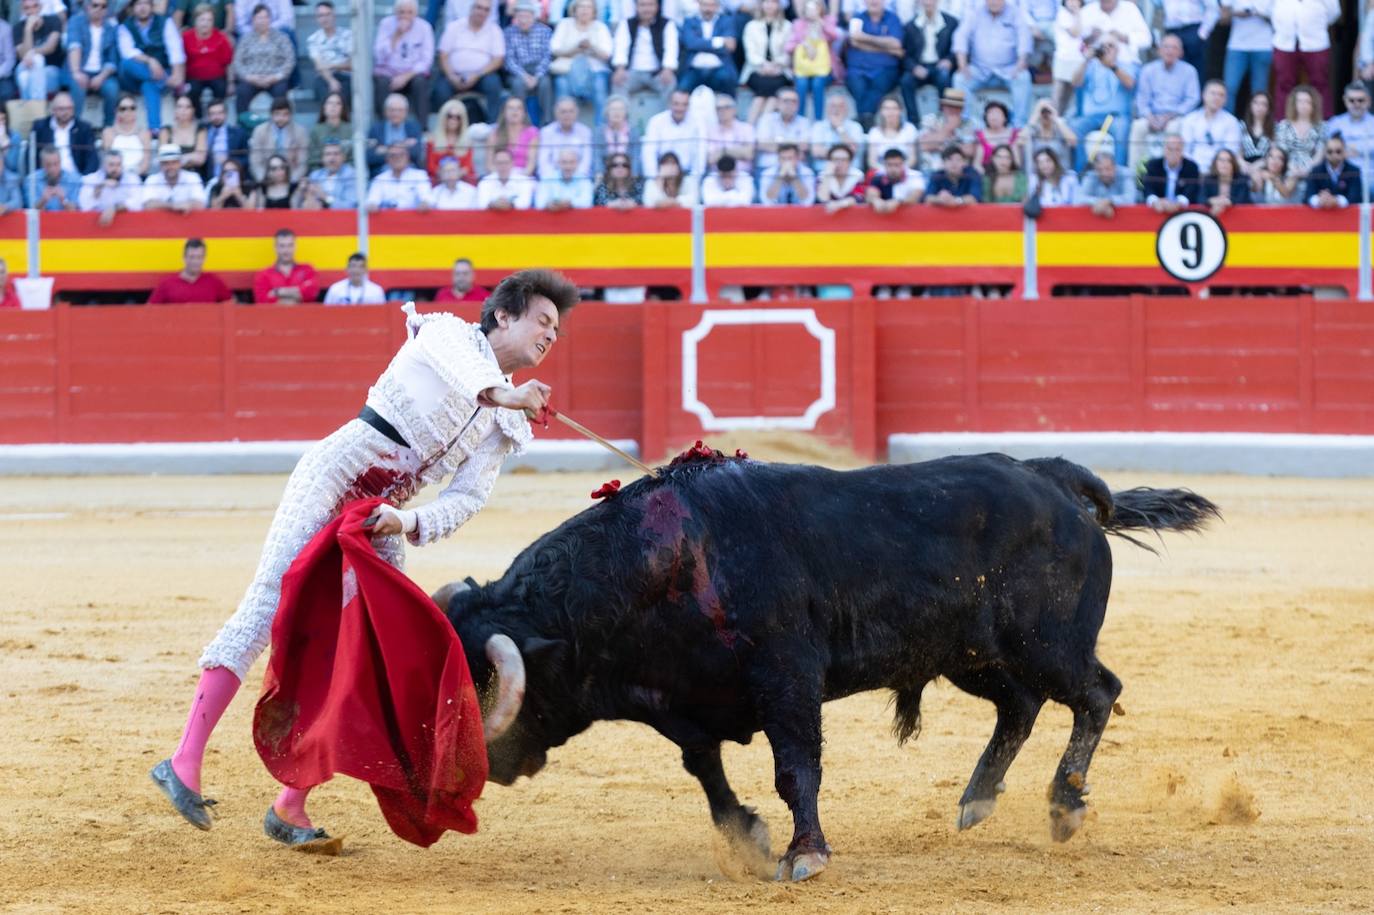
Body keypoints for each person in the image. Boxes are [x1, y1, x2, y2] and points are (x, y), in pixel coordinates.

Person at [151, 270, 577, 848]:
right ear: (504, 315)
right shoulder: (449, 337)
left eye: (558, 329)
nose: (551, 335)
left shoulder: (506, 419)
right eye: (543, 321)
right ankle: (183, 762)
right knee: (267, 604)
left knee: (371, 649)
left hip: (383, 513)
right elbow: (477, 382)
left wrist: (407, 520)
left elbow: (467, 497)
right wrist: (510, 394)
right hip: (335, 475)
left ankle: (291, 805)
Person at [952, 0, 1032, 127]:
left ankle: (1019, 125)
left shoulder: (1015, 13)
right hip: (980, 69)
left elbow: (1024, 37)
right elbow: (961, 36)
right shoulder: (975, 12)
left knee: (1023, 77)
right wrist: (962, 64)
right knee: (959, 78)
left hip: (1008, 69)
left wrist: (1021, 63)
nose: (994, 2)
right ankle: (964, 123)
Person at [1128, 33, 1200, 172]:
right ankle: (1134, 175)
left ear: (1180, 52)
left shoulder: (1189, 71)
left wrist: (1168, 117)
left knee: (1173, 129)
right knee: (1137, 127)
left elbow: (1192, 99)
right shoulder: (1148, 70)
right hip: (1151, 116)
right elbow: (1142, 99)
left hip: (1176, 117)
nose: (1170, 51)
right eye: (1166, 47)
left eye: (1174, 48)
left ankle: (1164, 173)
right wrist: (1150, 117)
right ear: (1159, 50)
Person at [117, 0, 187, 132]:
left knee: (148, 85)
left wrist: (178, 74)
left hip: (154, 76)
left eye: (146, 3)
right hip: (134, 77)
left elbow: (175, 49)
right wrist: (151, 61)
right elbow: (127, 51)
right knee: (125, 64)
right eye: (138, 4)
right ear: (132, 8)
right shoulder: (125, 26)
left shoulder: (165, 22)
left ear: (152, 6)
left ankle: (154, 130)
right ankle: (165, 80)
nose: (142, 8)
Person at [435, 0, 505, 124]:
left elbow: (498, 59)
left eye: (486, 9)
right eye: (479, 8)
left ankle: (492, 125)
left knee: (494, 84)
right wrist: (451, 76)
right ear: (471, 9)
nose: (482, 12)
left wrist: (478, 74)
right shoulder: (454, 26)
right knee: (441, 90)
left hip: (481, 75)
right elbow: (443, 54)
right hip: (454, 74)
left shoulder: (495, 30)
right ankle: (444, 127)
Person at [1068, 37, 1134, 169]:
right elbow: (1075, 82)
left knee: (1121, 130)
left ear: (1117, 50)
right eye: (1103, 46)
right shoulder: (1090, 66)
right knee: (1073, 127)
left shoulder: (1125, 64)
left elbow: (1130, 83)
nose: (1106, 49)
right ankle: (1080, 173)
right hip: (1090, 117)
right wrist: (1086, 60)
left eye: (1110, 46)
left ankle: (1119, 172)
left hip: (1116, 117)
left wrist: (1112, 66)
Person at [1270, 0, 1339, 117]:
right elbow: (1267, 8)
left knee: (1320, 84)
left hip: (1316, 42)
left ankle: (1323, 124)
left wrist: (1313, 23)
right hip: (1284, 41)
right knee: (1283, 84)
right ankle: (1282, 124)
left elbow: (1334, 13)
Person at [550, 0, 613, 125]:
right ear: (574, 10)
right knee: (562, 86)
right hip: (566, 69)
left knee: (600, 87)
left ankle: (600, 131)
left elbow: (607, 54)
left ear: (594, 11)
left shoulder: (600, 27)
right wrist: (576, 48)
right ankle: (563, 130)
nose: (584, 10)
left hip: (595, 70)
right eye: (581, 7)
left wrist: (591, 47)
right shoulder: (564, 24)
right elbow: (554, 49)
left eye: (588, 7)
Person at [844, 0, 904, 129]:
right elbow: (854, 41)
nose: (873, 1)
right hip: (858, 69)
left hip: (885, 69)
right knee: (858, 87)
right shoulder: (857, 18)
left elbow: (896, 44)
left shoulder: (892, 18)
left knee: (877, 87)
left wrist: (865, 37)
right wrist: (886, 48)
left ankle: (862, 122)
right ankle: (867, 121)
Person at [374, 0, 435, 124]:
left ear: (415, 14)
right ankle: (384, 126)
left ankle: (422, 127)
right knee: (381, 83)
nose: (405, 16)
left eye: (409, 12)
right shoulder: (386, 24)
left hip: (412, 74)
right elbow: (379, 57)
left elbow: (426, 60)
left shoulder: (424, 27)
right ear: (395, 12)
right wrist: (396, 35)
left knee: (420, 82)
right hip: (389, 73)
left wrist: (405, 77)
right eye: (401, 12)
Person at [611, 0, 679, 107]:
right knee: (618, 82)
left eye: (650, 5)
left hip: (657, 73)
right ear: (636, 7)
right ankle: (621, 120)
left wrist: (668, 68)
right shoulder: (627, 24)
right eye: (642, 5)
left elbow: (671, 48)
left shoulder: (666, 24)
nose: (646, 9)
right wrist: (620, 68)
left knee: (671, 83)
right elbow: (620, 47)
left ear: (657, 6)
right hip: (632, 72)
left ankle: (666, 119)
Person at [900, 0, 957, 126]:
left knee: (945, 78)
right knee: (906, 81)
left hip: (940, 66)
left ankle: (944, 119)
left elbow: (957, 48)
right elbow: (904, 55)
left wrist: (949, 60)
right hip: (920, 66)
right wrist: (914, 67)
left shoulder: (951, 23)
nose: (928, 3)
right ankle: (913, 121)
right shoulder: (911, 25)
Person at [65, 0, 121, 124]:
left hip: (101, 73)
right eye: (95, 5)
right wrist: (76, 72)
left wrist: (101, 77)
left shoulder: (111, 28)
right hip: (79, 69)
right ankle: (75, 126)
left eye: (103, 6)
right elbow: (74, 46)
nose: (99, 9)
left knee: (112, 89)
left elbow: (112, 59)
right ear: (87, 6)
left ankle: (108, 127)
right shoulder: (76, 22)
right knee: (78, 85)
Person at [232, 3, 295, 113]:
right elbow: (237, 62)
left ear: (270, 19)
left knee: (281, 91)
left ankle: (281, 124)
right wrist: (250, 77)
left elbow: (290, 60)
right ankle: (242, 124)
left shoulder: (281, 37)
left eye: (265, 17)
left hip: (275, 78)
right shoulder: (245, 39)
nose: (262, 21)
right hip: (252, 78)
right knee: (242, 91)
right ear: (253, 20)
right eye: (259, 18)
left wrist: (276, 77)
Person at [503, 0, 553, 125]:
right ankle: (521, 122)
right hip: (518, 71)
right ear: (515, 18)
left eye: (527, 17)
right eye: (520, 16)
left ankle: (547, 121)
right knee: (518, 84)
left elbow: (548, 57)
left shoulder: (545, 31)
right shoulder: (508, 32)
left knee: (545, 83)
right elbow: (509, 60)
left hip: (539, 70)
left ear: (534, 17)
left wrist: (537, 76)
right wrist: (524, 76)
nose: (523, 20)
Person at [788, 0, 839, 122]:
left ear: (821, 9)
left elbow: (835, 36)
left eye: (815, 8)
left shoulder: (828, 21)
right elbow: (788, 47)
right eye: (809, 9)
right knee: (801, 84)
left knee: (818, 83)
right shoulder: (798, 24)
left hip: (824, 68)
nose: (812, 11)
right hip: (803, 68)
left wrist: (821, 23)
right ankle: (799, 120)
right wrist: (804, 44)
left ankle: (818, 120)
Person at [741, 0, 791, 122]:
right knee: (766, 93)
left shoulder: (787, 26)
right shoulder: (751, 26)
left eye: (773, 2)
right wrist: (763, 64)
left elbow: (788, 52)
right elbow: (750, 53)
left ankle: (756, 128)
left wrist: (775, 64)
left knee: (768, 93)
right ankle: (755, 128)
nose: (769, 5)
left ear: (778, 5)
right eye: (766, 2)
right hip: (756, 69)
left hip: (780, 70)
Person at [1178, 80, 1243, 172]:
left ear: (1225, 100)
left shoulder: (1232, 122)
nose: (1216, 98)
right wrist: (1192, 169)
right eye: (1213, 93)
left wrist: (1215, 170)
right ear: (1203, 95)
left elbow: (1231, 151)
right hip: (1194, 171)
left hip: (1219, 172)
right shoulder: (1190, 119)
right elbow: (1185, 151)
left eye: (1221, 95)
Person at [1220, 0, 1273, 114]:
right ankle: (1226, 125)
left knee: (1259, 92)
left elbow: (1281, 20)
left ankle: (1258, 127)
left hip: (1263, 46)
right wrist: (1235, 14)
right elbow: (1223, 20)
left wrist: (1261, 14)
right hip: (1237, 46)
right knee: (1229, 88)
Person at [678, 0, 738, 97]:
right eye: (705, 5)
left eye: (711, 5)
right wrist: (720, 41)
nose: (708, 9)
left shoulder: (726, 21)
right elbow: (691, 44)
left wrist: (700, 44)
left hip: (719, 68)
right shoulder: (689, 21)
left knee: (728, 84)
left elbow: (730, 46)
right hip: (694, 69)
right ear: (698, 5)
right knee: (681, 91)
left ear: (718, 6)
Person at [182, 2, 233, 115]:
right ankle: (198, 117)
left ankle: (215, 116)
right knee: (192, 91)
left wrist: (231, 83)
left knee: (221, 89)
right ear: (195, 20)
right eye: (202, 19)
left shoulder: (221, 37)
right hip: (193, 77)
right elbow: (181, 61)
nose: (205, 23)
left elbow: (228, 62)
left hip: (216, 77)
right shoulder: (186, 37)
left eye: (209, 20)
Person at [31, 92, 99, 177]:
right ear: (53, 110)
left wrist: (85, 179)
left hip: (76, 178)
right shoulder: (40, 127)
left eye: (69, 108)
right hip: (46, 177)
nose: (66, 112)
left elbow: (92, 159)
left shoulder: (84, 128)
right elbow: (31, 157)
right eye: (61, 109)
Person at [148, 238, 234, 303]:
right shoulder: (167, 284)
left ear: (204, 258)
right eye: (192, 257)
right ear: (184, 258)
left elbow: (232, 307)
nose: (195, 261)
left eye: (199, 257)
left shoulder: (215, 283)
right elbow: (149, 311)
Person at [641, 88, 702, 177]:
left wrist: (695, 178)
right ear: (669, 104)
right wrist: (654, 178)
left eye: (684, 104)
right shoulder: (656, 121)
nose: (680, 108)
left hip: (688, 175)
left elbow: (700, 153)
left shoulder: (697, 123)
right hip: (661, 174)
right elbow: (649, 152)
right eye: (676, 104)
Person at [249, 97, 309, 183]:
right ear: (271, 114)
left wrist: (291, 181)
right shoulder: (259, 131)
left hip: (292, 178)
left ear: (291, 115)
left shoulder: (300, 132)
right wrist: (264, 180)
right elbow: (255, 163)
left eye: (285, 114)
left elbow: (302, 164)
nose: (281, 118)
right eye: (277, 114)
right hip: (266, 178)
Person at [14, 0, 64, 102]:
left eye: (34, 6)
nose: (31, 11)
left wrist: (32, 53)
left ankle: (30, 111)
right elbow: (22, 55)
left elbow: (50, 47)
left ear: (40, 7)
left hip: (50, 71)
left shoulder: (53, 21)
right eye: (27, 8)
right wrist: (28, 29)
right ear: (22, 10)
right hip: (24, 67)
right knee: (26, 72)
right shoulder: (18, 28)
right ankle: (38, 110)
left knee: (26, 76)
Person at [917, 85, 976, 172]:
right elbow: (922, 146)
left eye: (956, 107)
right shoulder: (930, 119)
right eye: (949, 106)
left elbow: (969, 151)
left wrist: (939, 144)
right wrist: (948, 128)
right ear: (943, 106)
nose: (952, 110)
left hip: (960, 172)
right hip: (931, 169)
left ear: (961, 109)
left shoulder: (968, 124)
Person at [253, 228, 318, 303]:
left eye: (290, 245)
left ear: (295, 246)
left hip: (303, 315)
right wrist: (298, 292)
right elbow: (262, 301)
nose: (286, 250)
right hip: (274, 315)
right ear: (275, 247)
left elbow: (311, 294)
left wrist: (277, 292)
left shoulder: (307, 270)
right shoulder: (263, 275)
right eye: (282, 246)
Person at [1274, 85, 1324, 182]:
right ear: (1294, 104)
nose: (1303, 105)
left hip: (1312, 172)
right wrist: (1293, 170)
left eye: (1307, 102)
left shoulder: (1321, 127)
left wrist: (1307, 170)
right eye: (1300, 101)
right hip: (1286, 170)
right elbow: (1281, 152)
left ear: (1313, 104)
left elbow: (1319, 154)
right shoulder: (1284, 125)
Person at [1326, 83, 1374, 184]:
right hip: (1343, 179)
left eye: (1361, 100)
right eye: (1352, 100)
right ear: (1345, 100)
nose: (1356, 104)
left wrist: (1354, 148)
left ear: (1368, 101)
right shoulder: (1335, 123)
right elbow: (1328, 150)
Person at [79, 149, 143, 223]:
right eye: (111, 165)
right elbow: (84, 206)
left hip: (127, 223)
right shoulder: (90, 179)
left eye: (118, 165)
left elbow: (137, 204)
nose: (115, 169)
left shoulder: (132, 179)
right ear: (103, 165)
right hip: (96, 224)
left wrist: (114, 208)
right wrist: (99, 187)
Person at [367, 93, 425, 175]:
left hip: (410, 171)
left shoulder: (414, 127)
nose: (396, 114)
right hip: (383, 173)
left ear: (406, 112)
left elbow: (416, 153)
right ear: (386, 111)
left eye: (400, 110)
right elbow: (370, 157)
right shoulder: (376, 129)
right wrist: (404, 145)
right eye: (392, 110)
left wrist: (386, 150)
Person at [756, 85, 810, 172]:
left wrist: (777, 141)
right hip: (768, 166)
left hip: (797, 168)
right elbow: (762, 144)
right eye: (786, 101)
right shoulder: (766, 119)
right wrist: (794, 146)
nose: (790, 104)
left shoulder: (804, 122)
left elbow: (804, 146)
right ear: (777, 103)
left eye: (794, 101)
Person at [1161, 0, 1220, 80]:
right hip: (1172, 30)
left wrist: (1202, 34)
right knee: (1173, 69)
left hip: (1193, 30)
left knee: (1196, 72)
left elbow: (1213, 9)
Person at [1079, 0, 1151, 65]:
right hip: (1094, 64)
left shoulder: (1130, 8)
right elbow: (1075, 42)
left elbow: (1147, 40)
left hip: (1126, 63)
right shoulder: (1087, 10)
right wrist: (1091, 37)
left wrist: (1125, 38)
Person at [306, 0, 352, 103]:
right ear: (316, 19)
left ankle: (343, 118)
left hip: (346, 76)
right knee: (323, 88)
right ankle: (327, 119)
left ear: (334, 15)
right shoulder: (313, 39)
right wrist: (331, 81)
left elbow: (352, 64)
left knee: (346, 90)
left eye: (328, 14)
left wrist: (330, 65)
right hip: (324, 77)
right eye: (321, 15)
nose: (325, 19)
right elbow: (319, 66)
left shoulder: (348, 35)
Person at [1142, 133, 1200, 212]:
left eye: (1177, 149)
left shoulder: (1191, 167)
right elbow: (1148, 188)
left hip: (1182, 212)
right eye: (1170, 149)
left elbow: (1191, 190)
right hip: (1158, 210)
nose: (1173, 153)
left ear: (1182, 151)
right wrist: (1155, 201)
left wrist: (1179, 203)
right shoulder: (1153, 165)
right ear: (1164, 149)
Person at [367, 141, 433, 211]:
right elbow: (372, 201)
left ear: (408, 157)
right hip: (387, 219)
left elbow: (427, 199)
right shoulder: (379, 179)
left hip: (414, 219)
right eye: (393, 155)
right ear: (387, 159)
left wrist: (425, 203)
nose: (397, 158)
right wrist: (372, 206)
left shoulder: (419, 175)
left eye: (401, 155)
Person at [538, 96, 593, 180]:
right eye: (563, 112)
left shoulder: (585, 132)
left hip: (579, 179)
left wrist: (576, 178)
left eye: (571, 111)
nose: (567, 115)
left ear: (577, 113)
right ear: (556, 113)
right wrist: (553, 179)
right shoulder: (546, 132)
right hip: (552, 180)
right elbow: (543, 162)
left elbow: (586, 162)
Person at [809, 87, 865, 168]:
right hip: (823, 172)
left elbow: (854, 150)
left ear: (846, 109)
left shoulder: (855, 126)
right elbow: (816, 152)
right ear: (827, 109)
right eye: (833, 106)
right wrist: (844, 155)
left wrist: (840, 128)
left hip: (851, 172)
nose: (836, 109)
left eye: (840, 106)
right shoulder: (818, 126)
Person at [143, 141, 207, 211]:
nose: (170, 167)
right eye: (166, 163)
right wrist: (173, 206)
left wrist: (187, 205)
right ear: (160, 165)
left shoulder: (192, 177)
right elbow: (148, 205)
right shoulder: (152, 179)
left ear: (180, 163)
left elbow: (201, 204)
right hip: (159, 222)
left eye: (174, 162)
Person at [487, 94, 541, 177]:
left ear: (524, 113)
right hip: (498, 176)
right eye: (510, 108)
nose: (514, 111)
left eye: (518, 108)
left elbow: (531, 165)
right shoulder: (494, 132)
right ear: (504, 112)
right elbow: (490, 165)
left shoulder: (532, 132)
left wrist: (518, 178)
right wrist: (502, 177)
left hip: (523, 176)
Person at [1305, 135, 1362, 209]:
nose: (1334, 155)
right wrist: (1319, 200)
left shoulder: (1354, 171)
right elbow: (1308, 196)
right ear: (1325, 153)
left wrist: (1337, 201)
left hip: (1346, 217)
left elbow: (1356, 197)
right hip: (1320, 217)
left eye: (1338, 151)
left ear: (1344, 151)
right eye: (1330, 151)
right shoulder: (1315, 171)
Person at [1050, 0, 1086, 115]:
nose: (1072, 3)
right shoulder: (1062, 14)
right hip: (1063, 58)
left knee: (1072, 95)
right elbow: (1075, 32)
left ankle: (1065, 120)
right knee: (1058, 94)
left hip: (1078, 60)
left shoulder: (1085, 13)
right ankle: (1052, 119)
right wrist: (1078, 14)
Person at [297, 140, 356, 209]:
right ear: (322, 158)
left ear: (343, 157)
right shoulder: (315, 175)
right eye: (328, 154)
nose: (332, 158)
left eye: (336, 154)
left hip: (342, 218)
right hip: (317, 216)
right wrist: (302, 192)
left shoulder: (351, 175)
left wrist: (325, 197)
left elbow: (351, 206)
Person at [707, 94, 756, 174]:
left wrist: (723, 151)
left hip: (742, 175)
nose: (722, 111)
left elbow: (749, 154)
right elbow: (711, 159)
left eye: (726, 107)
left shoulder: (747, 128)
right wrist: (739, 152)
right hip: (717, 175)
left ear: (734, 110)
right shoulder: (710, 131)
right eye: (719, 108)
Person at [428, 99, 476, 181]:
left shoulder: (467, 142)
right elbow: (431, 166)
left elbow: (467, 167)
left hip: (462, 183)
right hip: (439, 182)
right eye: (450, 116)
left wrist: (454, 177)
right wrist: (446, 177)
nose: (453, 120)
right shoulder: (432, 141)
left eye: (458, 117)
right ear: (443, 117)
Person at [593, 94, 639, 178]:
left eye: (620, 109)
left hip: (628, 175)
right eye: (613, 109)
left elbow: (636, 157)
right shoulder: (599, 132)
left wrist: (634, 175)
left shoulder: (633, 131)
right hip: (605, 175)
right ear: (606, 112)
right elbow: (597, 157)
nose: (617, 112)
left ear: (626, 113)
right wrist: (599, 174)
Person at [865, 147, 925, 212]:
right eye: (889, 165)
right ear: (884, 164)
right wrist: (875, 200)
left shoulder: (915, 176)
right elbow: (871, 193)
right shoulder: (878, 175)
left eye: (896, 165)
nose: (893, 169)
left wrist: (897, 201)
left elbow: (915, 196)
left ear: (903, 164)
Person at [866, 95, 917, 170]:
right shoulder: (874, 132)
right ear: (881, 111)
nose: (890, 112)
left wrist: (899, 171)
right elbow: (872, 161)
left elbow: (912, 159)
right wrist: (887, 172)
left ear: (900, 111)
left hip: (905, 172)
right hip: (882, 173)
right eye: (887, 108)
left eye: (894, 108)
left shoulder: (909, 129)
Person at [202, 98, 247, 182]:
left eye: (220, 113)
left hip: (233, 178)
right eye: (213, 114)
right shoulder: (202, 132)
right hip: (207, 179)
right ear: (208, 116)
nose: (216, 117)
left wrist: (229, 160)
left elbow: (246, 159)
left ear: (226, 114)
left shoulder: (238, 133)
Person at [159, 94, 208, 172]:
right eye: (179, 106)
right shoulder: (165, 131)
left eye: (187, 107)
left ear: (193, 110)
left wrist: (174, 160)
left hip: (194, 175)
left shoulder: (200, 130)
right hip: (169, 175)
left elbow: (201, 159)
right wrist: (190, 157)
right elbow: (162, 159)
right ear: (175, 110)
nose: (183, 110)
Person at [1078, 149, 1135, 215]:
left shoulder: (1125, 174)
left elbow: (1130, 199)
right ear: (1095, 169)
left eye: (1108, 169)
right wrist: (1100, 203)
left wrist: (1109, 201)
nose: (1104, 173)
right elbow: (1079, 199)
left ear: (1115, 167)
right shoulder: (1091, 175)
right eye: (1099, 170)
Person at [24, 146, 81, 211]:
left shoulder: (74, 180)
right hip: (42, 220)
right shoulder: (31, 180)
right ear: (42, 164)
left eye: (55, 164)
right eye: (48, 165)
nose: (52, 169)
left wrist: (63, 200)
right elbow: (31, 210)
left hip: (67, 220)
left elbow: (76, 211)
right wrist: (43, 200)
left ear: (60, 162)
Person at [308, 90, 353, 171]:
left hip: (346, 173)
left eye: (337, 103)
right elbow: (312, 160)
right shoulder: (316, 130)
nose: (333, 106)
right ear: (324, 106)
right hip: (322, 173)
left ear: (342, 108)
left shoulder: (350, 130)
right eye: (330, 103)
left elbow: (354, 158)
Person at [1201, 147, 1251, 214]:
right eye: (1221, 160)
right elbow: (1200, 198)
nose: (1224, 164)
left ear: (1233, 164)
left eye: (1228, 161)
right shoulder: (1208, 179)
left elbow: (1242, 199)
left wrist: (1224, 202)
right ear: (1215, 163)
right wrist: (1214, 201)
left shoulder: (1242, 179)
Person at [815, 143, 863, 211]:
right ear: (829, 161)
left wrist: (840, 204)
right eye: (836, 159)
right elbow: (822, 199)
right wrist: (828, 175)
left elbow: (858, 198)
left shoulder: (858, 176)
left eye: (844, 160)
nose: (839, 163)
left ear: (850, 162)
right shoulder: (822, 176)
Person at [973, 98, 1017, 170]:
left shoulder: (1014, 134)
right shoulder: (979, 135)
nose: (994, 116)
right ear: (985, 117)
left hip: (1009, 174)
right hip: (986, 175)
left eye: (997, 113)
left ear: (1005, 117)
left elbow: (1017, 162)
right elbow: (977, 164)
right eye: (990, 113)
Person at [1239, 89, 1274, 175]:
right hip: (1244, 167)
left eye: (1264, 104)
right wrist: (1243, 164)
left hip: (1267, 168)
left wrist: (1258, 165)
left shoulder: (1275, 128)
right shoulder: (1241, 126)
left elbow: (1274, 152)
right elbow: (1238, 152)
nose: (1259, 107)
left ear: (1269, 109)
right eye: (1256, 103)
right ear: (1250, 105)